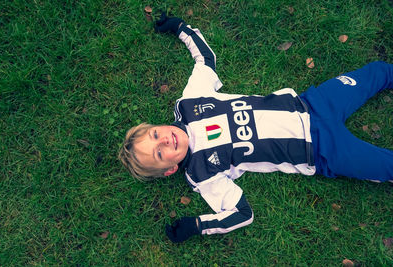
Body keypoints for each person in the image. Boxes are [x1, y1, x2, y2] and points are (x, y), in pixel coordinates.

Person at [119, 13, 393, 243]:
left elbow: (205, 61)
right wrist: (197, 225)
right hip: (322, 151)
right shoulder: (201, 174)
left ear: (159, 126)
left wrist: (181, 28)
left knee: (380, 71)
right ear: (169, 170)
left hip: (313, 103)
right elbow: (241, 212)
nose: (165, 141)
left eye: (156, 134)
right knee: (386, 166)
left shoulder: (189, 104)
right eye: (158, 153)